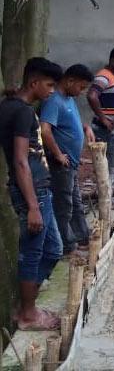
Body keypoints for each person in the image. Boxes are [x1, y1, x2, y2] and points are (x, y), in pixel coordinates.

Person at [0, 57, 64, 330]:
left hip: (37, 189)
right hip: (32, 192)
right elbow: (20, 160)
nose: (51, 91)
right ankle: (27, 314)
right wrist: (33, 206)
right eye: (48, 85)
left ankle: (28, 305)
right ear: (34, 83)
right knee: (33, 251)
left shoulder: (12, 106)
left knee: (54, 249)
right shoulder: (23, 112)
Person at [39, 64, 95, 259]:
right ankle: (67, 247)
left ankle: (82, 237)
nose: (81, 93)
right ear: (70, 81)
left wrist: (85, 127)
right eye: (81, 87)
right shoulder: (54, 101)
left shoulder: (68, 99)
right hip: (60, 165)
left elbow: (68, 122)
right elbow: (45, 130)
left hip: (70, 164)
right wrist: (58, 154)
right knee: (63, 205)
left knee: (75, 202)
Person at [87, 47, 114, 200]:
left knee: (111, 165)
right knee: (109, 165)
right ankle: (105, 197)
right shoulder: (104, 76)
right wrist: (103, 118)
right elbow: (92, 96)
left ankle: (105, 195)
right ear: (112, 60)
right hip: (107, 130)